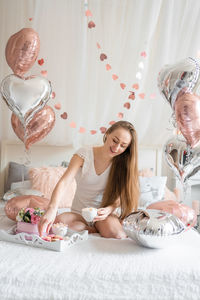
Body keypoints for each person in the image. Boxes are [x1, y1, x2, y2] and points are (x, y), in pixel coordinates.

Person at [38, 120, 140, 239]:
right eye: (115, 140)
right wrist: (52, 208)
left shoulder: (122, 164)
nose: (116, 148)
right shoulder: (84, 154)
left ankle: (94, 227)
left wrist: (109, 210)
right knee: (56, 226)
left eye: (123, 146)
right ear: (107, 134)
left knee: (118, 235)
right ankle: (91, 229)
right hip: (78, 213)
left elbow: (120, 197)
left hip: (102, 216)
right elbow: (64, 182)